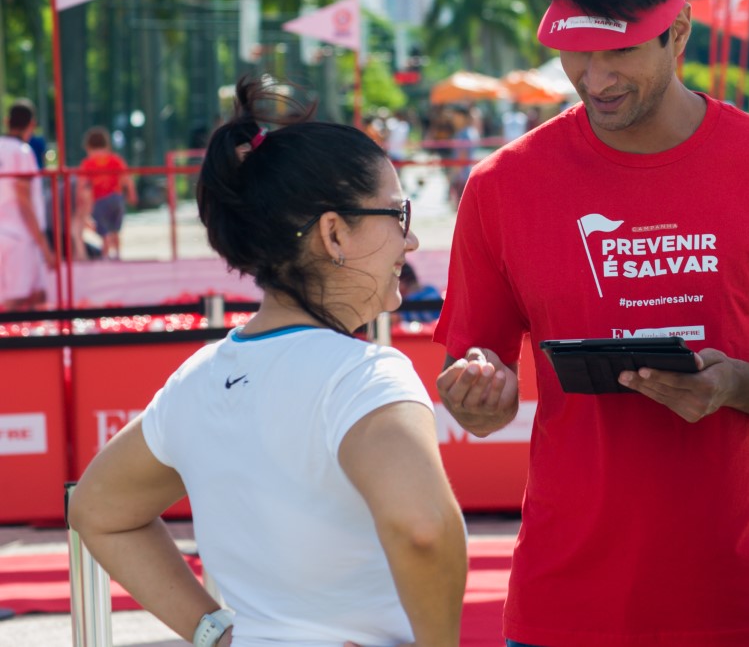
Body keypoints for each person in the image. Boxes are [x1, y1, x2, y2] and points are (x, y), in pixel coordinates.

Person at [433, 0, 749, 647]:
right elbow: (482, 391)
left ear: (680, 33)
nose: (593, 79)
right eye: (575, 52)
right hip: (564, 612)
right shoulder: (503, 186)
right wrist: (479, 395)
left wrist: (735, 385)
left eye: (620, 51)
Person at [68, 75, 467, 647]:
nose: (411, 243)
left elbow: (96, 509)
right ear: (334, 233)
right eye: (398, 215)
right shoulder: (365, 376)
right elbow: (424, 529)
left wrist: (214, 633)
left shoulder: (198, 379)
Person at [0, 100, 54, 310]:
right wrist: (44, 244)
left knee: (38, 295)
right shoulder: (22, 152)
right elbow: (24, 200)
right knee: (17, 299)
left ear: (7, 121)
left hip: (12, 234)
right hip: (20, 236)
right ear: (31, 124)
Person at [80, 126, 138, 260]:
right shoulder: (115, 159)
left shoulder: (88, 163)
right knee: (116, 230)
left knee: (104, 233)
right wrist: (132, 194)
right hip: (116, 199)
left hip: (99, 201)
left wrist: (82, 203)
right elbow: (126, 179)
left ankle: (105, 256)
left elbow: (82, 185)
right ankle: (117, 254)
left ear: (88, 146)